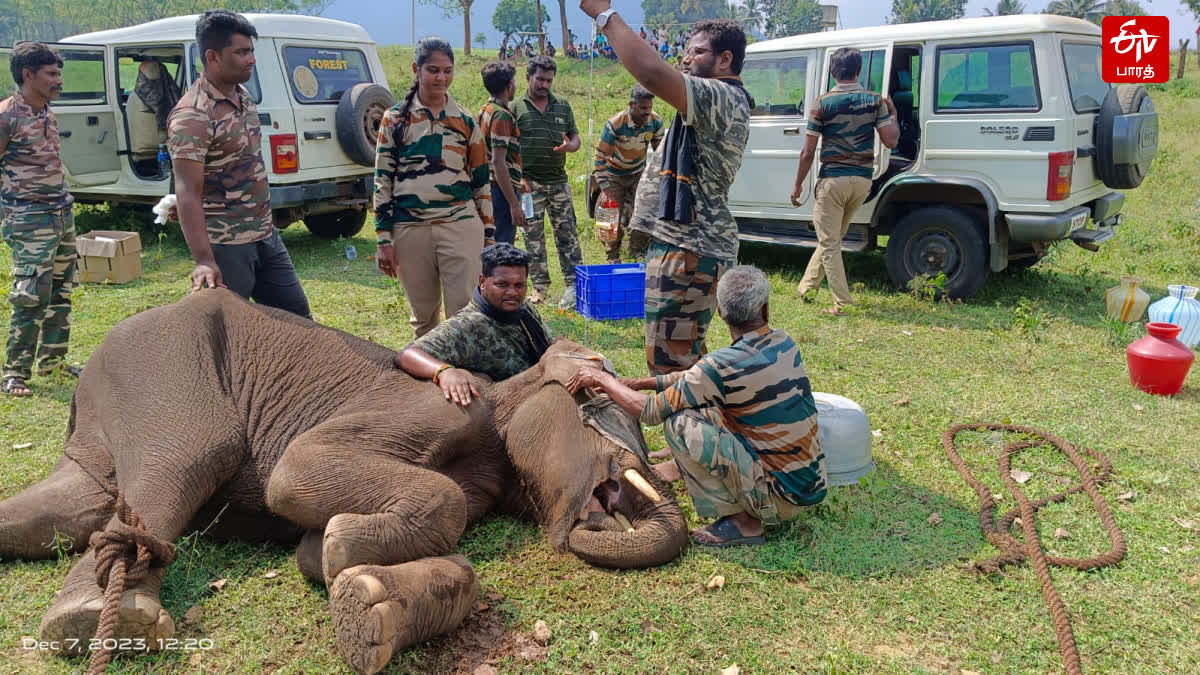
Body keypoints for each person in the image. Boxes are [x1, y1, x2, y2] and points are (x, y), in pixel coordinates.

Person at [566, 266, 826, 547]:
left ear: (720, 312)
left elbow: (649, 411)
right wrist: (642, 381)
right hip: (808, 486)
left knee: (680, 422)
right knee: (706, 408)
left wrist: (601, 379)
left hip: (778, 497)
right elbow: (699, 379)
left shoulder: (722, 365)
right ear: (765, 310)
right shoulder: (782, 342)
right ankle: (688, 472)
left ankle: (743, 523)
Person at [577, 6, 753, 376]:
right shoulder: (706, 102)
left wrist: (604, 14)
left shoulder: (721, 96)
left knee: (672, 365)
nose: (687, 58)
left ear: (726, 59)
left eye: (698, 52)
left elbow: (653, 73)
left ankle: (695, 430)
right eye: (686, 50)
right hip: (680, 244)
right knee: (682, 357)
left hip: (690, 248)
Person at [168, 10, 311, 318]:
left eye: (251, 51)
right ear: (213, 56)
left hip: (264, 234)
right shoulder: (192, 115)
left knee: (297, 318)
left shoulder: (243, 95)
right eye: (242, 52)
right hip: (225, 245)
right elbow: (187, 192)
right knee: (228, 332)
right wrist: (205, 260)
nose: (251, 59)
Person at [374, 37, 493, 338]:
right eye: (433, 70)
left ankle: (467, 376)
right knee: (424, 316)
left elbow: (480, 181)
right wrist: (383, 239)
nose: (441, 78)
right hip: (410, 228)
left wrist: (489, 236)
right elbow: (383, 179)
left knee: (464, 312)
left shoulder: (465, 121)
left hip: (460, 224)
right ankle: (429, 379)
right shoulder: (395, 119)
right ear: (417, 69)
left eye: (447, 70)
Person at [791, 47, 897, 316]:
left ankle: (842, 303)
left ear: (832, 71)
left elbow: (808, 152)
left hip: (833, 182)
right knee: (832, 238)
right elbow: (891, 141)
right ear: (859, 70)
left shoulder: (822, 103)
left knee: (829, 242)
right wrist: (893, 115)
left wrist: (798, 185)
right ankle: (806, 288)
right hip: (862, 182)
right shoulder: (876, 101)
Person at [1, 43, 79, 396]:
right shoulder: (7, 116)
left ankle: (53, 362)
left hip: (60, 213)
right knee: (31, 293)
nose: (58, 80)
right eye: (51, 74)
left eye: (59, 73)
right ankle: (15, 372)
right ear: (28, 75)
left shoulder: (47, 112)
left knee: (61, 289)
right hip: (29, 217)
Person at [395, 243, 552, 407]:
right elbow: (407, 355)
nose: (512, 292)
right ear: (482, 281)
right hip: (509, 406)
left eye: (519, 285)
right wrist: (443, 371)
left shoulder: (524, 309)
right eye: (502, 285)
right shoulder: (468, 324)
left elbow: (548, 344)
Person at [512, 56, 583, 309]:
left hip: (558, 182)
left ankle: (574, 285)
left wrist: (570, 146)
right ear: (528, 77)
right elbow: (507, 149)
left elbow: (575, 138)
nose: (544, 84)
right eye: (540, 79)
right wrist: (519, 178)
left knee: (568, 234)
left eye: (549, 80)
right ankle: (539, 286)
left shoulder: (562, 105)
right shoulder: (515, 108)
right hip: (529, 185)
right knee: (533, 236)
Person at [592, 84, 664, 263]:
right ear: (632, 104)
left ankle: (637, 251)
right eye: (643, 108)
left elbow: (662, 154)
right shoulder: (615, 124)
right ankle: (612, 255)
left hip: (638, 173)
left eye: (650, 108)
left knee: (643, 211)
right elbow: (599, 159)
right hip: (613, 174)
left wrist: (658, 180)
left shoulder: (655, 122)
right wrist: (605, 189)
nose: (647, 112)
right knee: (608, 216)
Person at [478, 61, 526, 246]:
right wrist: (514, 204)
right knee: (502, 246)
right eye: (513, 81)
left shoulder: (485, 110)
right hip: (500, 191)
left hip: (491, 188)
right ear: (508, 86)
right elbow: (499, 162)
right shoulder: (502, 115)